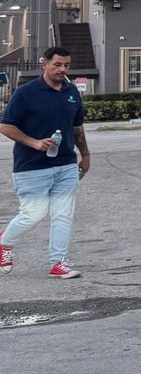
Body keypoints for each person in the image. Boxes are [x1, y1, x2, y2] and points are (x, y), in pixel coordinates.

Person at [0, 45, 91, 279]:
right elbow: (6, 125)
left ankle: (58, 262)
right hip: (31, 166)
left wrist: (85, 155)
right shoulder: (26, 93)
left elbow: (76, 127)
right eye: (57, 64)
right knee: (33, 214)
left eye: (67, 65)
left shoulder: (71, 92)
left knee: (63, 214)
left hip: (65, 165)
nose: (63, 69)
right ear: (45, 65)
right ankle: (5, 242)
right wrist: (34, 142)